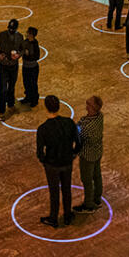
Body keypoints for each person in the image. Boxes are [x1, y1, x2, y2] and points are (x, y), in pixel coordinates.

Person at [36, 95, 81, 228]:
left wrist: (45, 162)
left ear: (46, 108)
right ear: (59, 106)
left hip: (52, 164)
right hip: (67, 162)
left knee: (54, 192)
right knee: (67, 189)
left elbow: (40, 152)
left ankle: (53, 218)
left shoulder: (43, 129)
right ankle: (67, 215)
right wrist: (73, 155)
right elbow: (78, 143)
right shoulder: (69, 122)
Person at [74, 95, 104, 213]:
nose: (86, 105)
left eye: (88, 103)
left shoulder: (87, 127)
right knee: (97, 175)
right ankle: (97, 199)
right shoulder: (100, 116)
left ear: (93, 107)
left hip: (87, 156)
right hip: (97, 151)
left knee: (87, 180)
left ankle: (88, 205)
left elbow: (77, 133)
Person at [0, 18, 24, 119]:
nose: (10, 30)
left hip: (13, 65)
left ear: (16, 29)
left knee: (11, 87)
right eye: (9, 28)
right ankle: (2, 110)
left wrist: (18, 55)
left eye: (12, 29)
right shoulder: (1, 35)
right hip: (3, 66)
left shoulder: (20, 37)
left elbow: (22, 49)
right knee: (3, 89)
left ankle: (10, 105)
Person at [20, 27, 40, 107]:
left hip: (33, 68)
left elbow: (37, 57)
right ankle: (28, 97)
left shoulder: (35, 44)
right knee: (26, 82)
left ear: (32, 35)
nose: (26, 34)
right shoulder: (25, 42)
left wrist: (28, 54)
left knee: (33, 84)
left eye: (28, 33)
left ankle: (34, 100)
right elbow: (20, 49)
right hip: (26, 66)